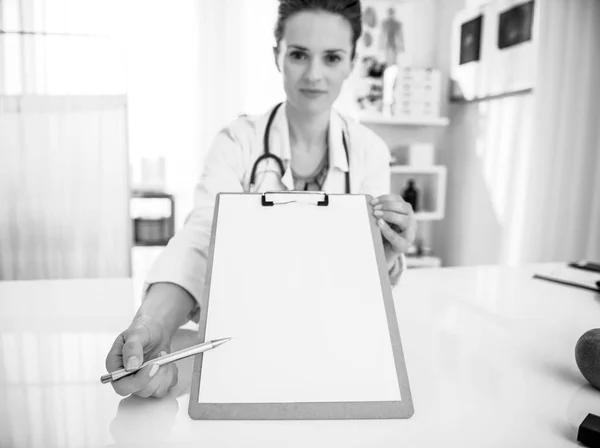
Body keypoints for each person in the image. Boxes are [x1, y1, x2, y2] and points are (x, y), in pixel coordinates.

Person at [105, 0, 417, 399]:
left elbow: (365, 274)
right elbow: (201, 240)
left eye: (333, 57)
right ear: (277, 56)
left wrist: (388, 250)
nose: (314, 74)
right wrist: (151, 326)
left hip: (336, 347)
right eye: (299, 54)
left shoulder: (369, 151)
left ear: (352, 62)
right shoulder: (238, 141)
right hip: (241, 342)